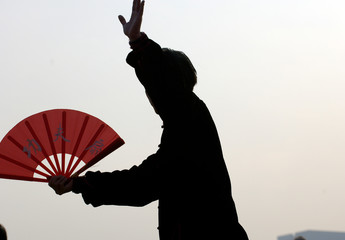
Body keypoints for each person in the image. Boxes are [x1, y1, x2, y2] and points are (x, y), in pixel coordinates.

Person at [49, 0, 248, 239]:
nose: (150, 95)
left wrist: (138, 43)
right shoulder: (186, 127)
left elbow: (143, 183)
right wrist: (79, 184)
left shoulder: (188, 116)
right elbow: (143, 185)